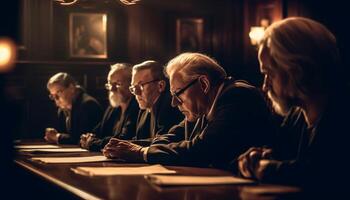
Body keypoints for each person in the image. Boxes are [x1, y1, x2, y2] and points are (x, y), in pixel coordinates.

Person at [237, 17, 350, 195]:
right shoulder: (296, 116)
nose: (265, 85)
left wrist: (265, 169)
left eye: (269, 74)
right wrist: (255, 159)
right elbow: (280, 156)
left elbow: (323, 174)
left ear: (295, 70)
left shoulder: (342, 113)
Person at [103, 52, 276, 168]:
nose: (173, 103)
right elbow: (171, 137)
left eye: (177, 93)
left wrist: (140, 152)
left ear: (204, 84)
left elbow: (201, 150)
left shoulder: (238, 96)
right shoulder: (204, 104)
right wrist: (125, 148)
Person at [79, 63, 140, 151]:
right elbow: (96, 133)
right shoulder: (112, 107)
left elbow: (123, 139)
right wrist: (86, 139)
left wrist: (92, 143)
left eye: (117, 84)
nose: (112, 89)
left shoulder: (137, 106)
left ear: (131, 84)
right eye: (110, 84)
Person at [45, 72, 102, 144]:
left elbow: (83, 138)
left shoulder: (88, 105)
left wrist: (57, 137)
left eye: (58, 92)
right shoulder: (63, 108)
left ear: (71, 88)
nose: (56, 98)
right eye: (53, 95)